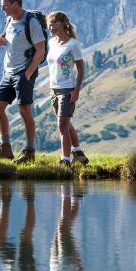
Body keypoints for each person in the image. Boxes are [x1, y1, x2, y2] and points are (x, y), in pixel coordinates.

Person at [0, 0, 46, 163]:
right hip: (9, 71)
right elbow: (11, 40)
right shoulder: (9, 20)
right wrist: (2, 40)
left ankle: (29, 151)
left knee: (24, 110)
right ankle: (5, 148)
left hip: (23, 72)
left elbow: (40, 50)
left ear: (16, 3)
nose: (2, 8)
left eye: (5, 4)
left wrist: (28, 74)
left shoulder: (31, 22)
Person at [45, 11, 89, 166]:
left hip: (67, 89)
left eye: (53, 23)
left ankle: (65, 160)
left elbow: (81, 69)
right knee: (66, 123)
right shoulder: (51, 43)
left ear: (62, 24)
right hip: (54, 89)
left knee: (62, 125)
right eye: (48, 24)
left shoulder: (73, 44)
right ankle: (78, 153)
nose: (49, 27)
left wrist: (76, 90)